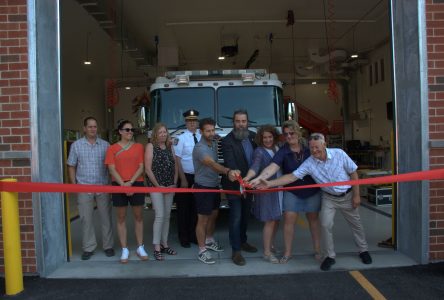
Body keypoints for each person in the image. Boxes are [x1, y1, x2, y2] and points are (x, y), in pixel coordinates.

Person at [253, 133, 373, 271]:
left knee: (356, 224)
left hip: (347, 195)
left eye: (317, 147)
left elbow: (353, 172)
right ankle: (330, 256)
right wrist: (269, 184)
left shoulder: (339, 154)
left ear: (324, 145)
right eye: (311, 148)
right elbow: (291, 177)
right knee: (325, 224)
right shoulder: (309, 162)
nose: (314, 151)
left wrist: (356, 195)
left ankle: (363, 251)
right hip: (329, 197)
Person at [249, 120, 321, 264]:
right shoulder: (283, 151)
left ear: (298, 132)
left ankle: (318, 250)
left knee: (313, 221)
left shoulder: (309, 146)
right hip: (292, 191)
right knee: (289, 222)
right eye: (286, 134)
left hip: (312, 190)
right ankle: (288, 253)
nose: (289, 136)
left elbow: (323, 157)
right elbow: (272, 167)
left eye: (292, 133)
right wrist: (259, 179)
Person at [193, 118, 239, 264]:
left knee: (214, 215)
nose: (212, 133)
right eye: (208, 131)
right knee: (203, 219)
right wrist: (228, 171)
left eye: (213, 130)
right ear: (201, 131)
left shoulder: (213, 142)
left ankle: (209, 240)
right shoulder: (200, 148)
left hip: (214, 186)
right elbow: (212, 164)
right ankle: (202, 250)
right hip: (203, 188)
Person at [67, 116, 114, 260]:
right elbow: (71, 165)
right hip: (83, 187)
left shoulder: (106, 145)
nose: (93, 129)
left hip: (103, 186)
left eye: (95, 126)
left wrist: (111, 185)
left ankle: (108, 246)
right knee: (86, 219)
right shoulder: (76, 145)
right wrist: (74, 184)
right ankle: (88, 247)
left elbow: (110, 167)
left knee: (106, 218)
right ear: (84, 129)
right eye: (90, 126)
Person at [105, 120, 148, 263]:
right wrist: (123, 184)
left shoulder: (138, 147)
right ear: (120, 132)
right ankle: (124, 249)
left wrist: (130, 183)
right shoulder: (112, 148)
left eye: (132, 130)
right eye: (127, 129)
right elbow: (111, 168)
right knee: (121, 217)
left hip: (136, 182)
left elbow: (141, 167)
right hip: (119, 184)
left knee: (138, 216)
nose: (130, 132)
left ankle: (140, 247)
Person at [221, 109, 258, 266]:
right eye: (238, 121)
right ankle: (236, 251)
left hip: (250, 185)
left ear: (247, 122)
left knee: (245, 215)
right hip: (234, 186)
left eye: (243, 121)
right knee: (235, 218)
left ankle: (243, 241)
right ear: (233, 123)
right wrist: (237, 176)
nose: (241, 124)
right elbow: (230, 162)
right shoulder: (227, 141)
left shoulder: (253, 137)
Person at [243, 125, 282, 264]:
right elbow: (254, 167)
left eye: (270, 137)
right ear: (260, 138)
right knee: (270, 220)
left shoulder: (278, 148)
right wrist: (247, 178)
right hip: (266, 191)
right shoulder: (259, 151)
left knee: (276, 219)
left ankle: (270, 245)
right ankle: (266, 252)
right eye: (264, 137)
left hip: (278, 189)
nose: (267, 140)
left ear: (274, 137)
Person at [145, 123, 178, 261]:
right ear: (155, 134)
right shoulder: (150, 146)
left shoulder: (171, 147)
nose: (163, 134)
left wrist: (174, 183)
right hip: (156, 187)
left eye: (165, 132)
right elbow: (147, 169)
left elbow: (176, 166)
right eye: (160, 132)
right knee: (159, 216)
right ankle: (156, 247)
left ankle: (165, 244)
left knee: (167, 216)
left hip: (170, 186)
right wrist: (158, 186)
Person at [173, 109, 200, 248]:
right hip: (185, 177)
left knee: (195, 209)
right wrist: (183, 179)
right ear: (185, 123)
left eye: (194, 121)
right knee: (183, 209)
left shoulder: (202, 137)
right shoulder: (181, 138)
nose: (192, 123)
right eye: (189, 121)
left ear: (197, 122)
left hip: (199, 178)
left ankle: (193, 235)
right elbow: (177, 160)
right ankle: (183, 238)